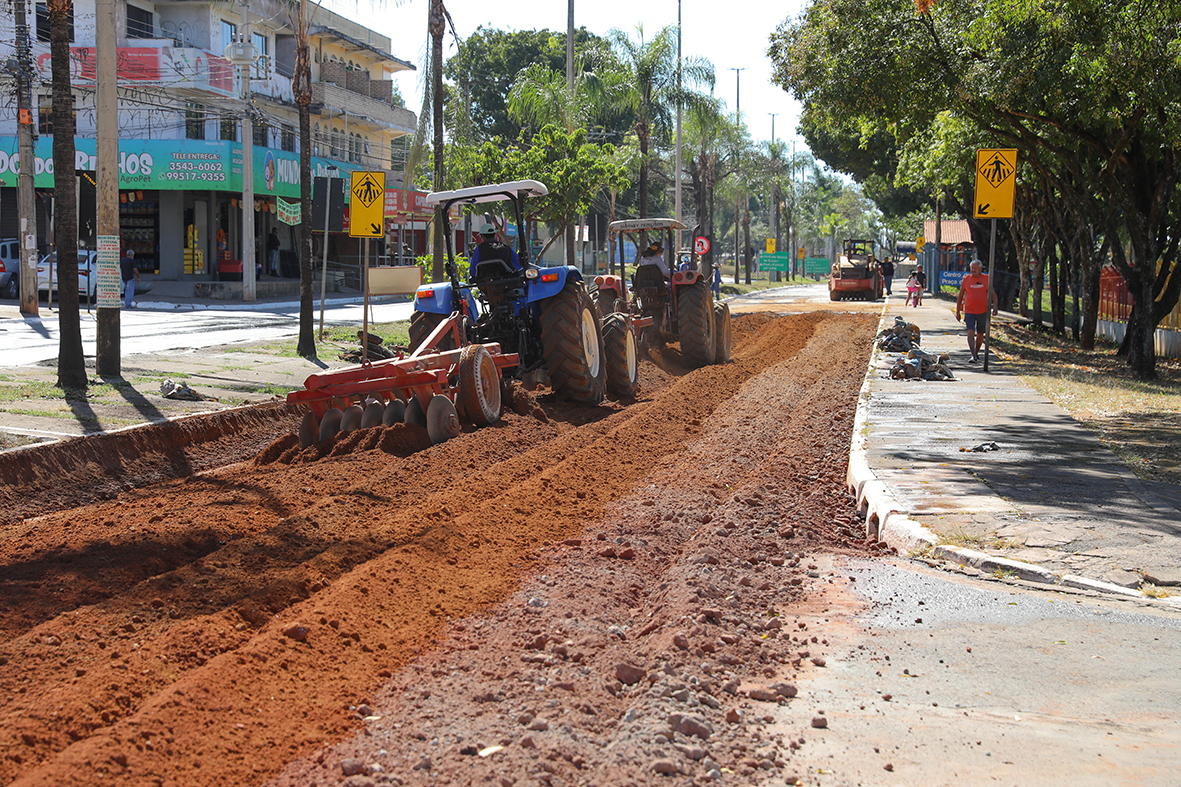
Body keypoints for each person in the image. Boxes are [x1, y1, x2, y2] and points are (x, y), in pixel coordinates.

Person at [955, 258, 999, 363]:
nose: (973, 270)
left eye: (975, 268)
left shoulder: (986, 279)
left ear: (980, 268)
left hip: (983, 311)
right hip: (969, 311)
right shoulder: (966, 280)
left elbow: (993, 294)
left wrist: (995, 307)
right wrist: (958, 311)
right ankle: (973, 355)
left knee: (980, 334)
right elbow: (960, 296)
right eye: (971, 268)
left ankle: (976, 352)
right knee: (970, 332)